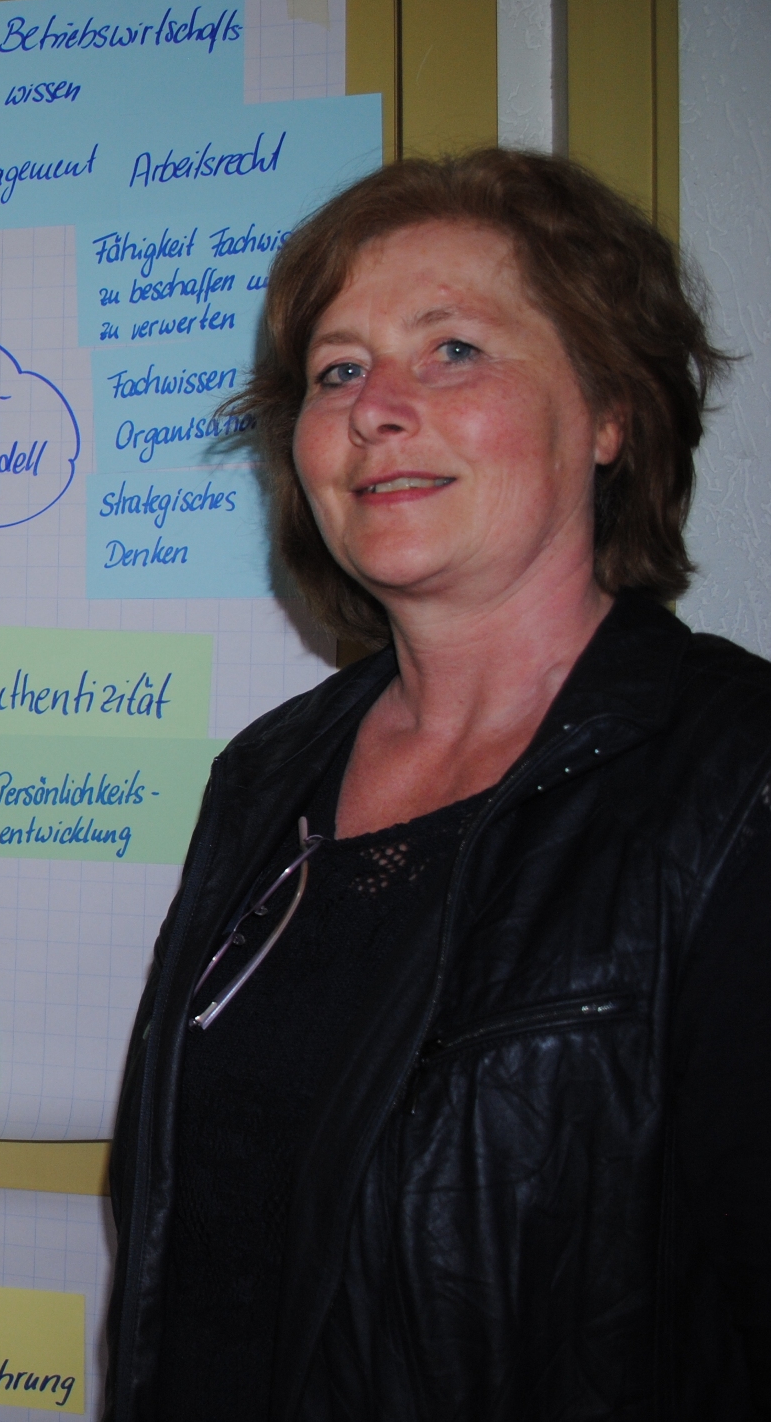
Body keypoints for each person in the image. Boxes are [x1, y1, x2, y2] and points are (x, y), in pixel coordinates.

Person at [106, 148, 771, 1419]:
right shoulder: (266, 776)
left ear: (610, 413)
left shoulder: (733, 785)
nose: (374, 408)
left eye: (453, 349)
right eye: (338, 370)